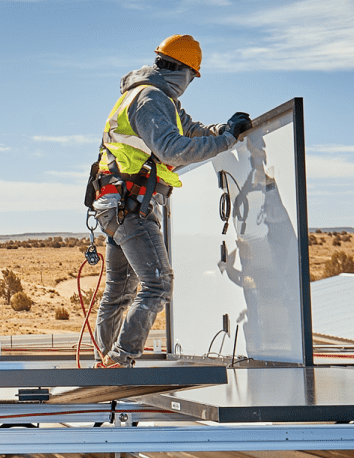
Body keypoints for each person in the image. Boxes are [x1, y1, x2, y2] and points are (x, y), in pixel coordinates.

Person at [92, 35, 252, 367]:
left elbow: (191, 131)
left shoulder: (154, 98)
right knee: (158, 285)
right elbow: (173, 149)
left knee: (119, 294)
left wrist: (224, 128)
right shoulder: (151, 98)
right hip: (132, 206)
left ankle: (102, 361)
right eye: (192, 77)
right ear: (183, 72)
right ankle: (120, 361)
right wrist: (227, 141)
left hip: (117, 204)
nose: (190, 84)